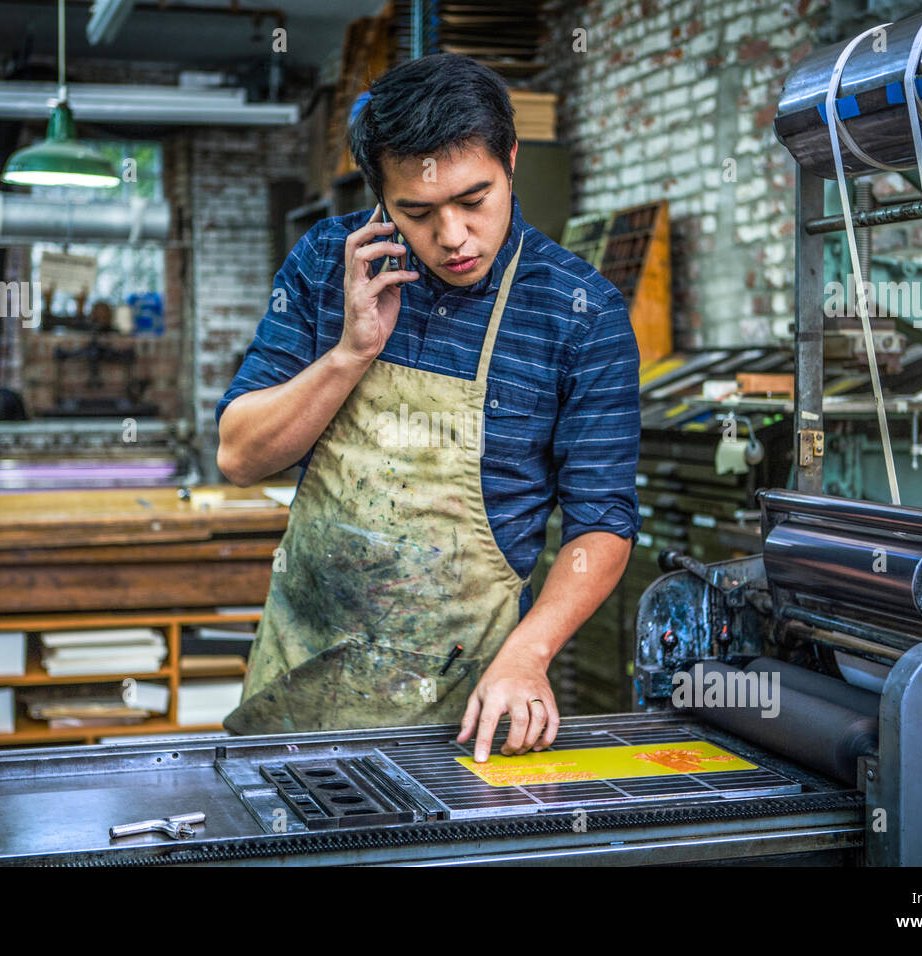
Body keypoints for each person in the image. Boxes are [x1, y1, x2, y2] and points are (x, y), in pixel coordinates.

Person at [215, 53, 641, 761]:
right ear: (378, 195)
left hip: (461, 710)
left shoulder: (580, 312)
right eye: (416, 211)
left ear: (509, 158)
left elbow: (603, 525)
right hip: (298, 687)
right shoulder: (327, 264)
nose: (452, 237)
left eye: (474, 200)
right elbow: (238, 456)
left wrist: (528, 653)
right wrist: (350, 352)